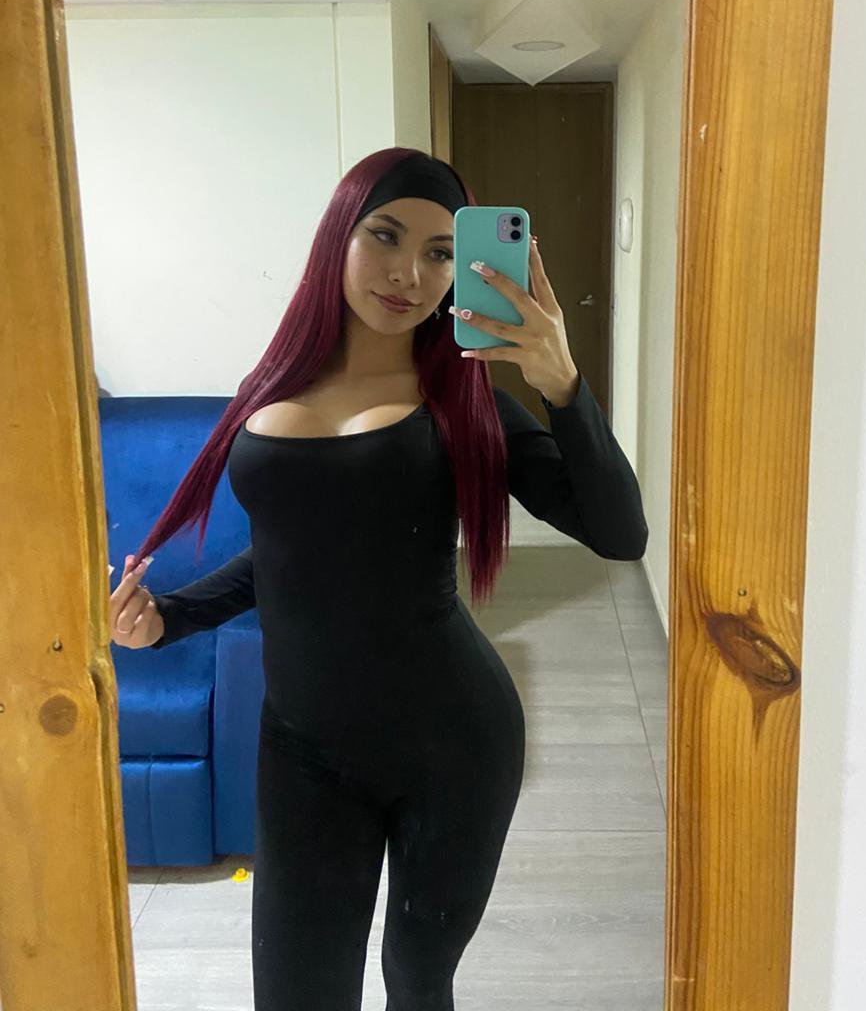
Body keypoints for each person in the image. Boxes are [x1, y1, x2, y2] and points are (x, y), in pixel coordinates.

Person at [109, 147, 647, 1010]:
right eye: (386, 236)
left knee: (417, 983)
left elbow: (620, 534)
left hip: (454, 746)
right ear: (339, 237)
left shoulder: (468, 401)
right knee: (297, 994)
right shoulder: (271, 385)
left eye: (441, 253)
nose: (409, 274)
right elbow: (293, 551)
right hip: (303, 750)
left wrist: (563, 384)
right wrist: (168, 617)